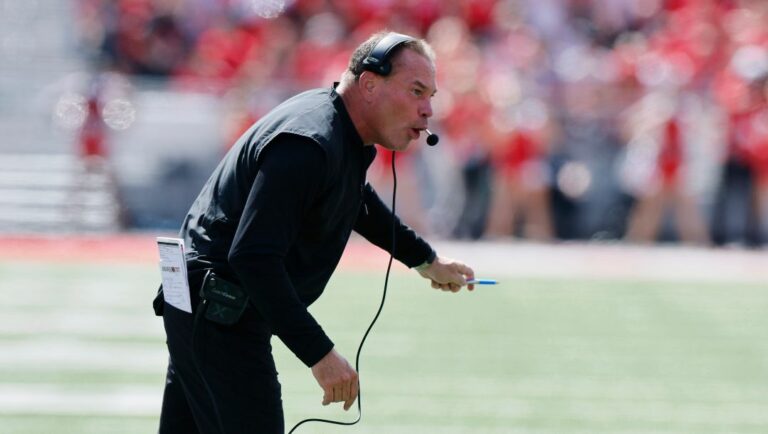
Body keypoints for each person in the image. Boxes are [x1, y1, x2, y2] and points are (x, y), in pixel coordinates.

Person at [155, 31, 476, 434]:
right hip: (218, 308)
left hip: (206, 303)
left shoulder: (337, 131)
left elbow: (359, 203)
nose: (428, 109)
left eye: (430, 95)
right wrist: (320, 354)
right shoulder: (310, 142)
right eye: (416, 91)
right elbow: (253, 256)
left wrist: (426, 261)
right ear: (370, 83)